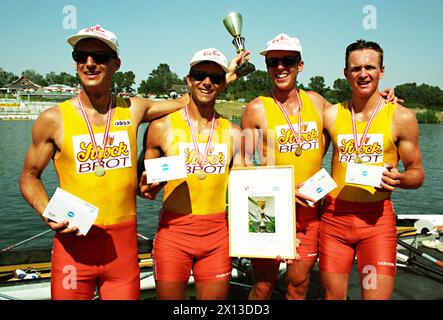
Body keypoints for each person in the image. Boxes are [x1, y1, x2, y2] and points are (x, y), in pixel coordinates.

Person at [19, 24, 189, 300]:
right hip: (73, 248)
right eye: (81, 56)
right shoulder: (53, 119)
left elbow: (187, 101)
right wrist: (46, 209)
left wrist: (225, 76)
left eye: (99, 57)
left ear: (116, 64)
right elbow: (29, 175)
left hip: (122, 252)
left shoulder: (133, 108)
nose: (89, 63)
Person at [241, 33, 397, 300]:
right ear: (267, 67)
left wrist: (384, 98)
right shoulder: (256, 109)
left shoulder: (317, 103)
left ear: (300, 65)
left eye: (287, 60)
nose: (280, 67)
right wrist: (281, 190)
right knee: (263, 287)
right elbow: (242, 166)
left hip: (309, 210)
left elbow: (355, 116)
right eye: (273, 62)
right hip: (266, 208)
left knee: (298, 285)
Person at [320, 39, 425, 300]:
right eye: (356, 69)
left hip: (377, 221)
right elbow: (309, 162)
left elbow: (418, 172)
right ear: (345, 73)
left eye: (370, 67)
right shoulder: (331, 114)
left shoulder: (401, 117)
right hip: (335, 219)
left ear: (382, 71)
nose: (363, 74)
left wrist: (400, 178)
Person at [138, 48, 244, 300]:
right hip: (174, 235)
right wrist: (145, 189)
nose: (206, 82)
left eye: (215, 78)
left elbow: (247, 188)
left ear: (221, 84)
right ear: (189, 79)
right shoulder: (161, 127)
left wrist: (277, 231)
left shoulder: (234, 133)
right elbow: (144, 187)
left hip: (218, 236)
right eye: (199, 75)